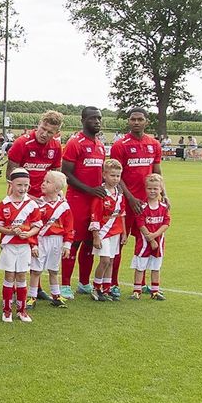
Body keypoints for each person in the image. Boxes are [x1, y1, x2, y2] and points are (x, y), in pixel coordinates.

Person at [108, 108, 163, 300]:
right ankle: (112, 283)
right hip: (125, 203)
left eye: (140, 119)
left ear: (146, 121)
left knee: (147, 242)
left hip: (147, 205)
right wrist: (130, 198)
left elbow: (157, 172)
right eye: (133, 119)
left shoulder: (154, 144)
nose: (136, 122)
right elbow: (116, 176)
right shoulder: (120, 145)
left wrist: (163, 194)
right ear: (128, 121)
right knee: (118, 244)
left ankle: (143, 284)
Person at [59, 107, 106, 300]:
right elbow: (66, 174)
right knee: (74, 242)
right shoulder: (75, 143)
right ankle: (65, 285)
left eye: (99, 118)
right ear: (83, 120)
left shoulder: (100, 145)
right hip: (77, 201)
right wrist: (89, 190)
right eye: (93, 118)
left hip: (95, 201)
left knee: (89, 242)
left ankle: (84, 283)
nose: (97, 121)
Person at [0, 168, 42, 323]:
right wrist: (11, 232)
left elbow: (37, 225)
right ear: (11, 184)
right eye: (19, 185)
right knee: (9, 276)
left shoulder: (31, 204)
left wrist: (29, 234)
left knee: (21, 276)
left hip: (24, 246)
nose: (23, 188)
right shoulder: (4, 204)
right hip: (9, 245)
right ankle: (6, 310)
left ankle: (22, 311)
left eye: (26, 185)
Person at [28, 170, 73, 310]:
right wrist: (33, 245)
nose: (43, 184)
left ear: (57, 188)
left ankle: (56, 295)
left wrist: (67, 244)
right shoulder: (38, 204)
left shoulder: (64, 206)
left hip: (57, 241)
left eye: (48, 182)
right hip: (41, 240)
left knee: (54, 269)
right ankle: (32, 296)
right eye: (44, 181)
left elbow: (69, 226)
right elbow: (32, 226)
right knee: (36, 270)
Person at [89, 159, 126, 302]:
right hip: (103, 232)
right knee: (104, 260)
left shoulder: (119, 193)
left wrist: (123, 232)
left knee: (111, 261)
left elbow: (122, 214)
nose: (115, 179)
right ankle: (96, 287)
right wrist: (96, 236)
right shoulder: (101, 193)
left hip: (115, 231)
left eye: (118, 176)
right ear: (104, 175)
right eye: (112, 175)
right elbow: (95, 215)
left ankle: (106, 288)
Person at [130, 174, 170, 301]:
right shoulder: (142, 207)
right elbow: (140, 224)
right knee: (140, 266)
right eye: (149, 188)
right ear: (145, 189)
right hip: (144, 243)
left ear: (161, 189)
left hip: (158, 242)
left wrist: (155, 235)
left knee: (156, 267)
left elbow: (166, 223)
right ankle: (137, 291)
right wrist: (150, 239)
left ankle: (155, 291)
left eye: (155, 189)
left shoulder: (164, 207)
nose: (152, 191)